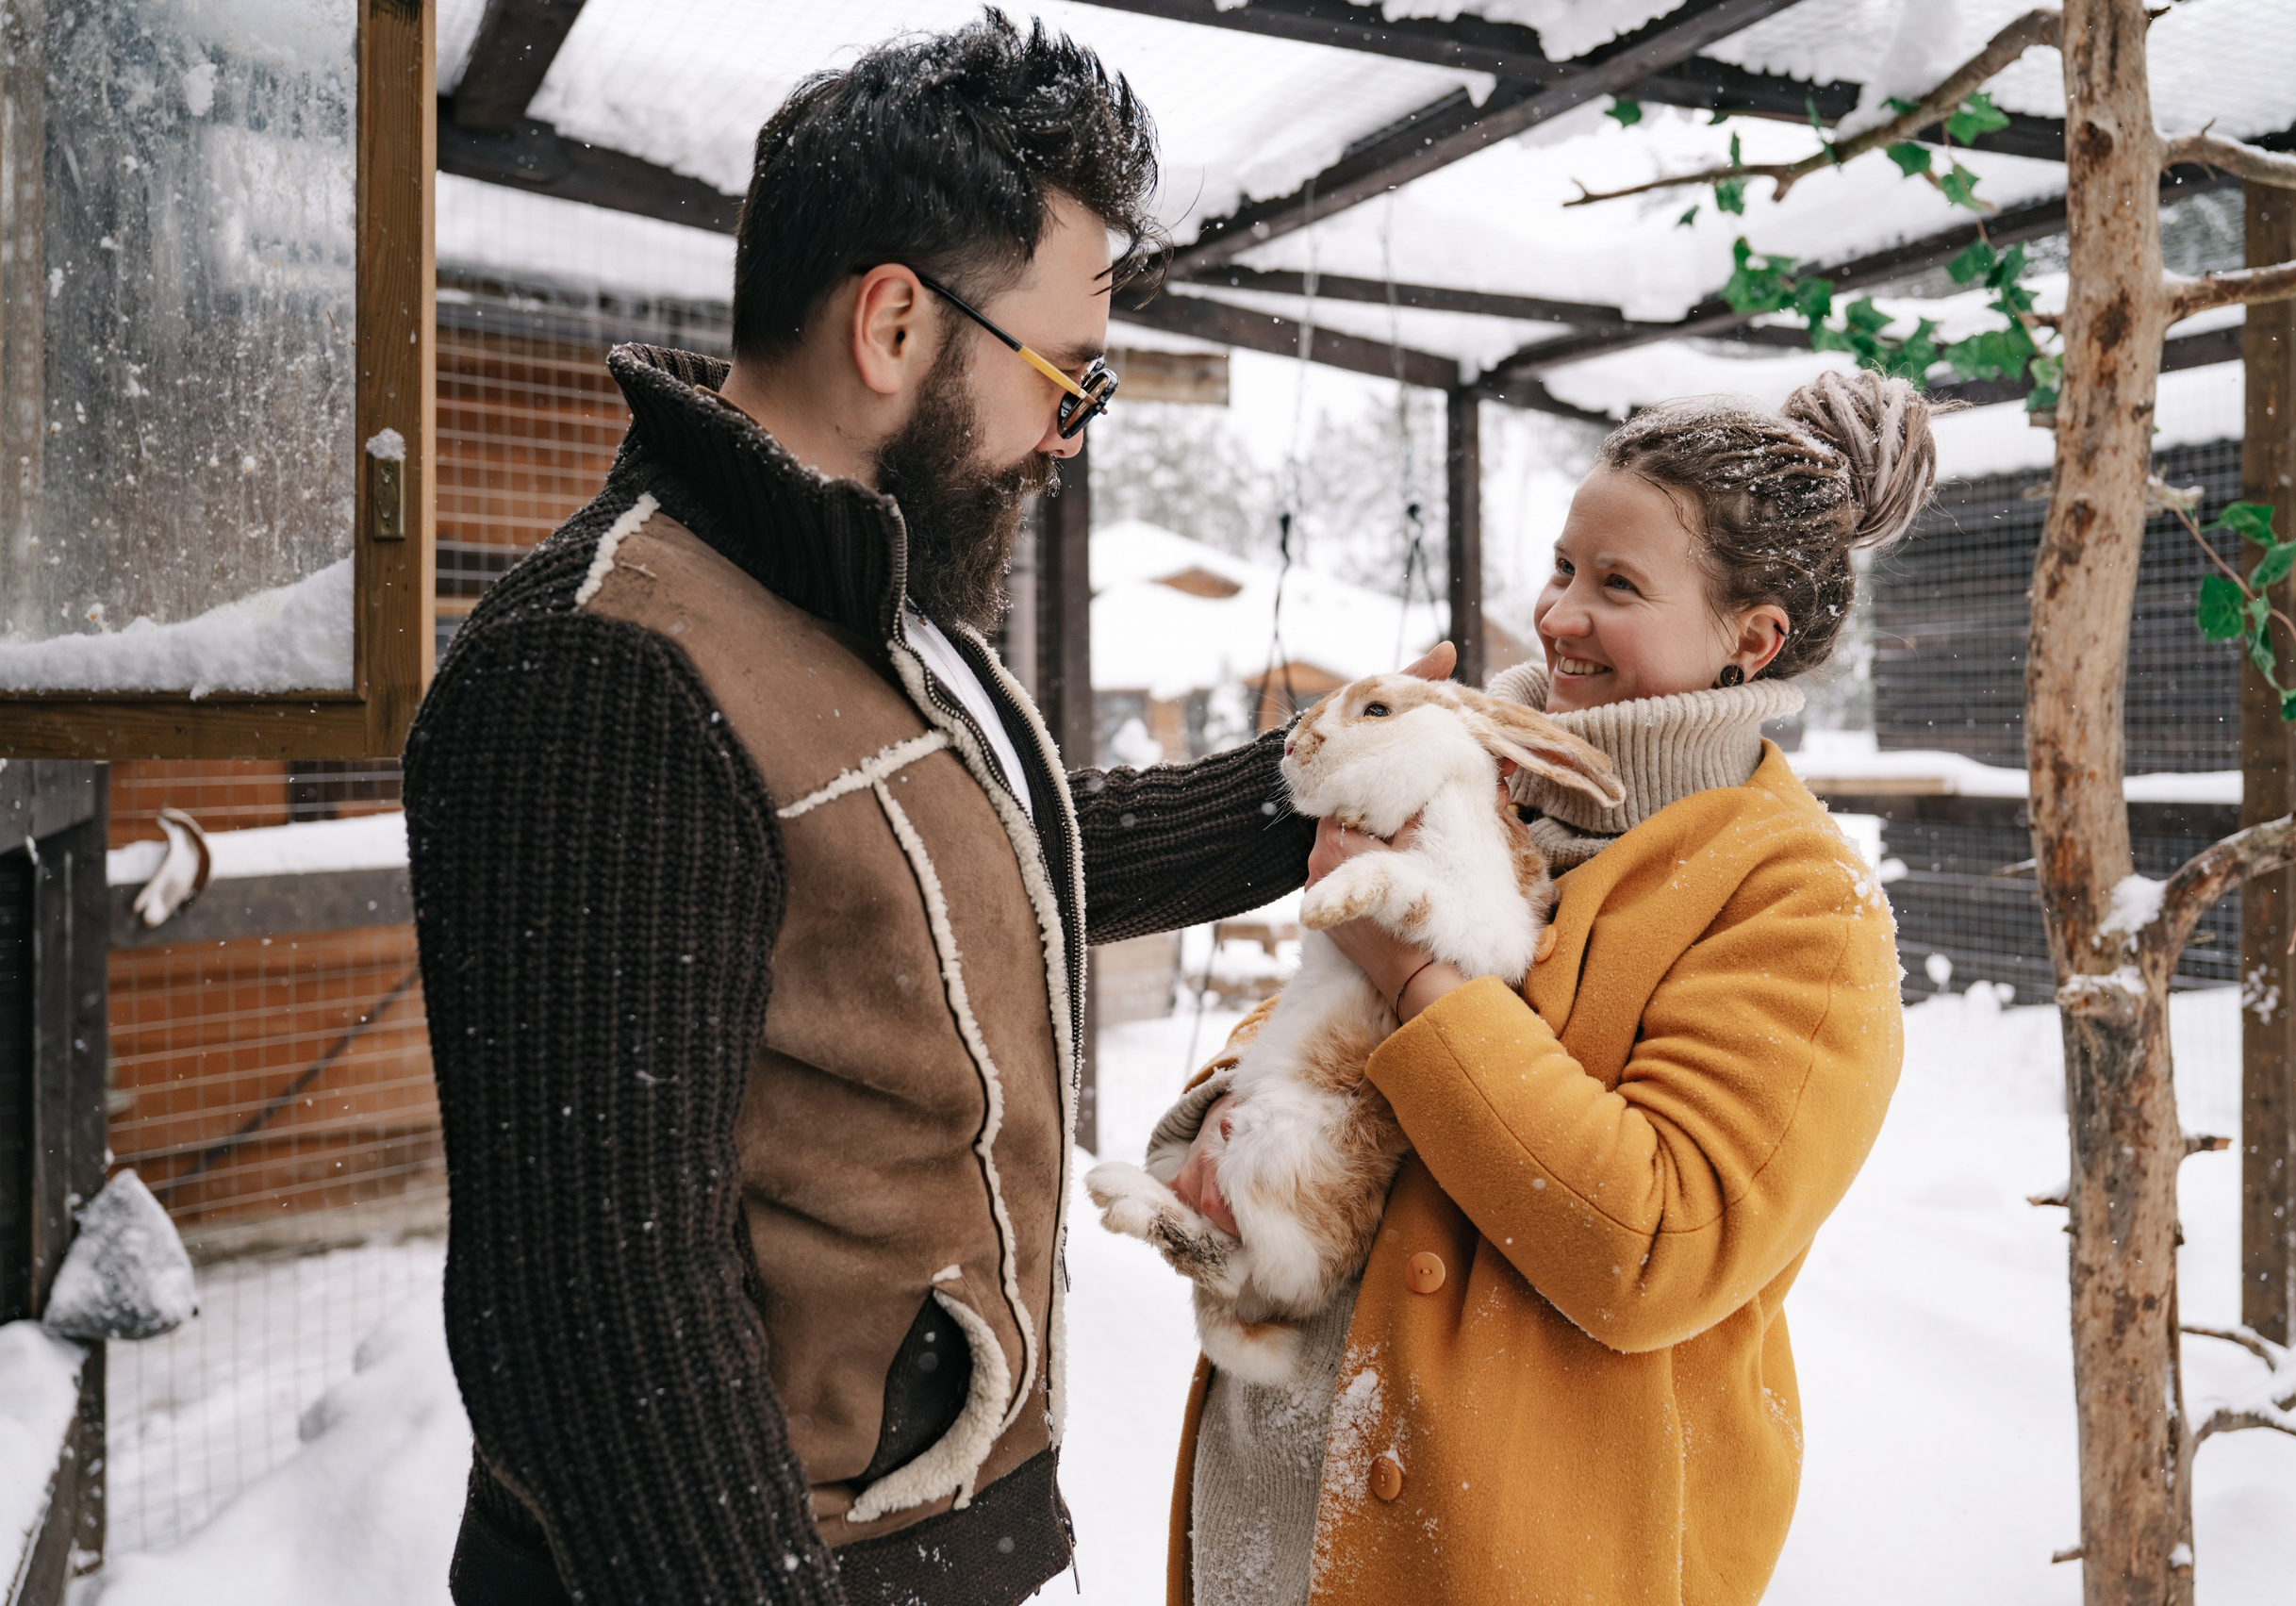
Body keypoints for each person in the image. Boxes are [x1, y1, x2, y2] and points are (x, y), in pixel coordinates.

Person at [403, 15, 1366, 1605]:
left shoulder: (867, 602)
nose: (1070, 430)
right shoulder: (602, 674)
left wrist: (1305, 787)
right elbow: (597, 1311)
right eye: (1068, 375)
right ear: (897, 324)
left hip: (911, 1535)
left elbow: (985, 865)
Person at [1159, 369, 1939, 1605]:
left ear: (1754, 637)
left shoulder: (1799, 904)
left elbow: (1651, 1250)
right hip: (1275, 1518)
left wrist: (1416, 976)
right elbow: (1317, 1011)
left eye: (1618, 585)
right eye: (1564, 569)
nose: (1559, 615)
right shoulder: (1459, 773)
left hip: (1514, 1555)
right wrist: (1227, 1126)